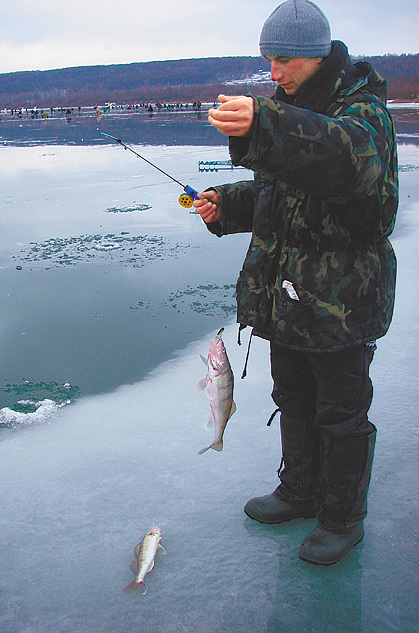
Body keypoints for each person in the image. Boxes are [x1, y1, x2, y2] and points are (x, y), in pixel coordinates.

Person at [193, 0, 398, 566]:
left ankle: (341, 518)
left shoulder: (363, 114)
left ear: (316, 56)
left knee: (341, 414)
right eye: (268, 61)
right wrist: (227, 206)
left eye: (283, 61)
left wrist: (266, 122)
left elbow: (341, 164)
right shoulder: (294, 107)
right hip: (289, 298)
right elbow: (279, 194)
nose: (274, 74)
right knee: (294, 399)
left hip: (342, 303)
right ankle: (300, 490)